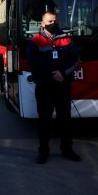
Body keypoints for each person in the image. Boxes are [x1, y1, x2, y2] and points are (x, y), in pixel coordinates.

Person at [26, 11, 81, 164]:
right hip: (45, 87)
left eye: (55, 21)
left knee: (65, 120)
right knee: (44, 121)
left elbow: (75, 59)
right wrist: (52, 74)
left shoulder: (66, 39)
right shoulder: (35, 41)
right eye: (50, 21)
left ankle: (67, 149)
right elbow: (32, 62)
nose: (53, 23)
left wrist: (62, 73)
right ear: (43, 23)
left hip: (63, 86)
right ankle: (43, 152)